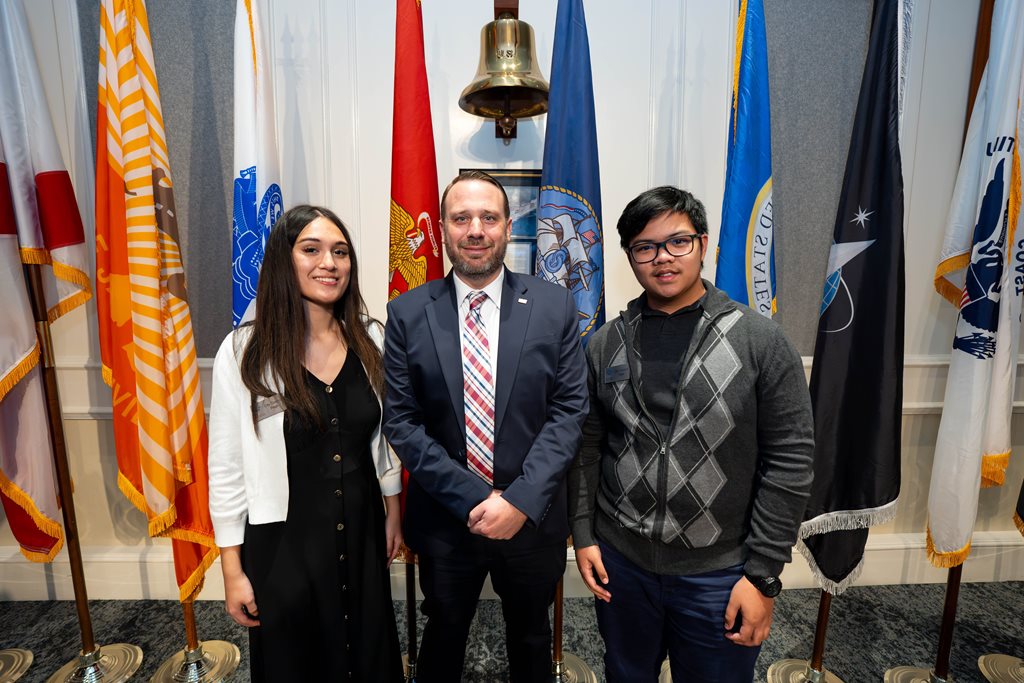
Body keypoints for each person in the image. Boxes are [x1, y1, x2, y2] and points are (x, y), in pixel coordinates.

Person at [568, 186, 814, 682]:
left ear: (703, 244)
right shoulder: (604, 344)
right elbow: (586, 447)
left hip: (720, 575)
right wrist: (583, 534)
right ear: (630, 258)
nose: (662, 258)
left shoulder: (760, 341)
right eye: (645, 247)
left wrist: (762, 575)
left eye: (677, 242)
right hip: (623, 566)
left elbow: (790, 460)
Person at [383, 170, 588, 682]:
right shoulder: (407, 313)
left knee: (531, 635)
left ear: (508, 225)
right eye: (461, 218)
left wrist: (517, 501)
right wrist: (476, 499)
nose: (475, 229)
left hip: (532, 516)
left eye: (488, 217)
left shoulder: (554, 306)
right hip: (448, 519)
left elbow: (569, 412)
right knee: (444, 632)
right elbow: (403, 423)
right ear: (444, 230)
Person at [208, 205, 404, 681]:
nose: (329, 263)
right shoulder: (243, 352)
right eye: (311, 249)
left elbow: (385, 440)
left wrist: (394, 511)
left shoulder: (372, 338)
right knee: (295, 662)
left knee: (368, 654)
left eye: (340, 252)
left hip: (361, 529)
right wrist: (232, 569)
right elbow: (227, 467)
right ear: (282, 260)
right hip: (284, 543)